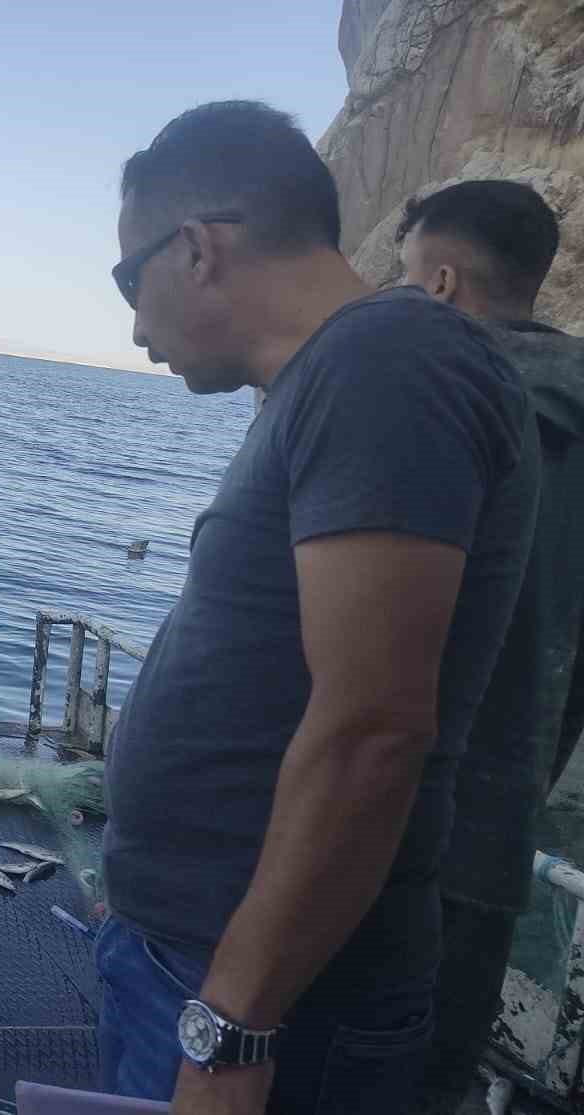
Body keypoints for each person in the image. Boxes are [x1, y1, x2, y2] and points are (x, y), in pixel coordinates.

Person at [97, 101, 539, 1114]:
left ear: (198, 248)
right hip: (200, 961)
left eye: (129, 280)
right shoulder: (336, 375)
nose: (135, 325)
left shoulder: (386, 360)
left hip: (271, 1009)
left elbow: (370, 728)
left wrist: (233, 1023)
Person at [395, 179, 584, 1111]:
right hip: (498, 837)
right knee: (429, 1080)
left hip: (382, 830)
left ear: (438, 282)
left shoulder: (436, 404)